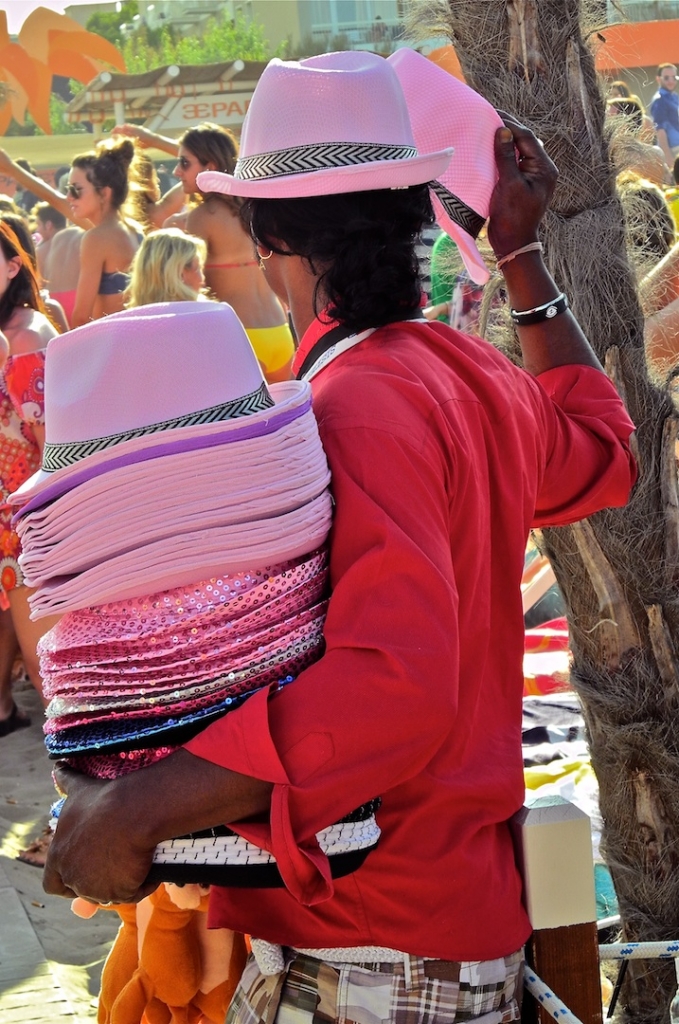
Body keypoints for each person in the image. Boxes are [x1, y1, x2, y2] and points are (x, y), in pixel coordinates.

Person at [42, 51, 636, 1024]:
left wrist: (138, 808)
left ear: (272, 233)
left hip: (371, 940)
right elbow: (605, 450)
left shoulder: (350, 406)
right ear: (412, 217)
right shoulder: (468, 376)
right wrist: (521, 256)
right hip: (454, 918)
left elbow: (390, 686)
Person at [113, 121, 296, 383]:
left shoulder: (203, 218)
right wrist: (151, 139)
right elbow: (206, 158)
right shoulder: (254, 207)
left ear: (209, 167)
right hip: (279, 331)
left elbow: (187, 284)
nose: (177, 172)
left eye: (184, 164)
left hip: (240, 335)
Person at [0, 221, 58, 736]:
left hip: (26, 512)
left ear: (13, 266)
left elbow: (49, 442)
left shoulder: (27, 336)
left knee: (47, 658)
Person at [125, 227, 207, 307]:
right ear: (181, 274)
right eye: (198, 268)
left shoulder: (127, 319)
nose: (202, 279)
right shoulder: (210, 316)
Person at [651, 63, 679, 168]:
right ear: (658, 79)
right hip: (673, 150)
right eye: (666, 78)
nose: (671, 81)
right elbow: (660, 130)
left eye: (674, 77)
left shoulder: (674, 97)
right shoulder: (660, 100)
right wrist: (668, 157)